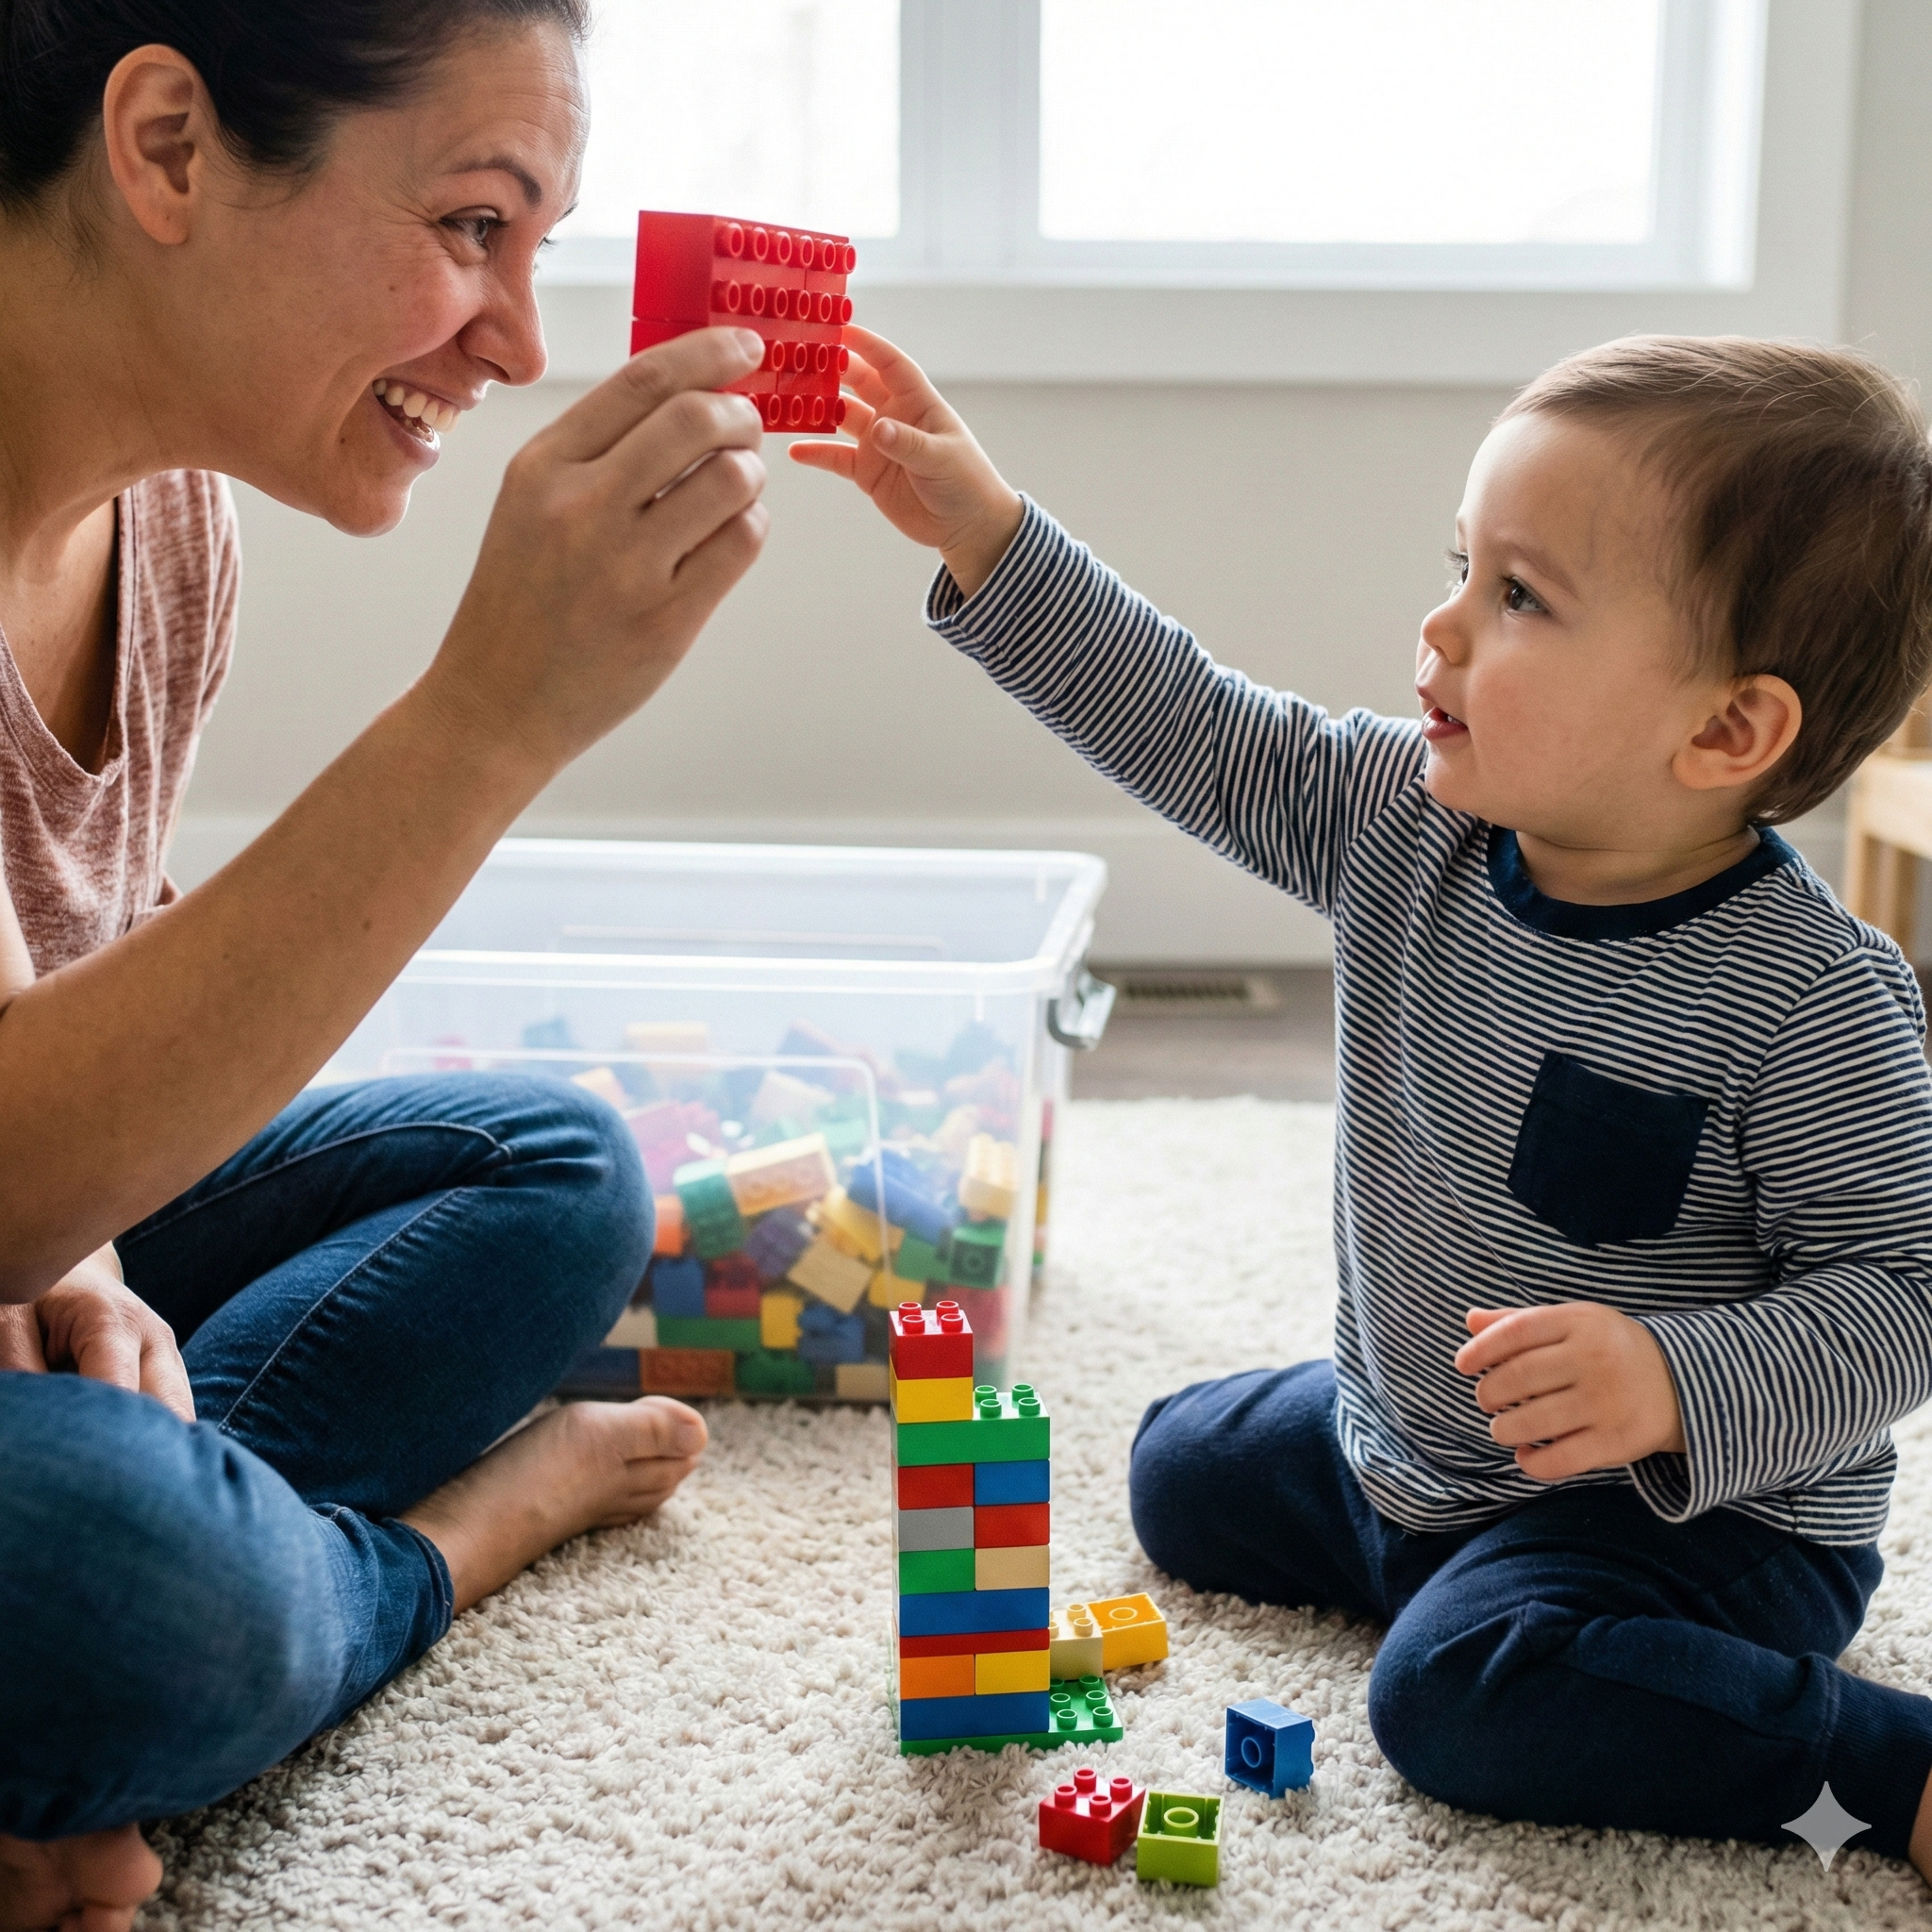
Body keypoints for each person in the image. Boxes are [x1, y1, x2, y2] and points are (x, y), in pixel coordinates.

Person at [796, 325, 1932, 1874]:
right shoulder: (1405, 821)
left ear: (1726, 731)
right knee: (1177, 1472)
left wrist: (1675, 1379)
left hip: (1692, 1525)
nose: (1442, 627)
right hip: (1420, 1442)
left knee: (1458, 1699)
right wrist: (985, 531)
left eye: (1519, 598)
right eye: (1462, 566)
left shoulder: (1812, 1003)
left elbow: (1903, 1296)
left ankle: (1894, 1770)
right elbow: (1193, 723)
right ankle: (1438, 1547)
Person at [0, 6, 774, 1925]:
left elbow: (74, 993)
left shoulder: (159, 523)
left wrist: (83, 1261)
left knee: (553, 1170)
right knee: (157, 1596)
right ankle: (422, 1551)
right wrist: (487, 722)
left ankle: (132, 1645)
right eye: (472, 226)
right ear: (170, 144)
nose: (515, 341)